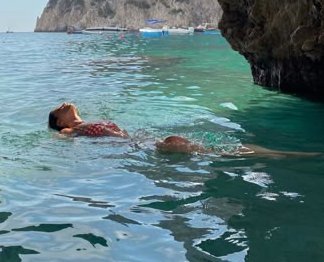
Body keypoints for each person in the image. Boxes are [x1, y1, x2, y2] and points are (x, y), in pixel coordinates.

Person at [155, 135, 322, 157]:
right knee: (271, 153)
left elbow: (172, 140)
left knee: (270, 153)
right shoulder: (190, 147)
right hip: (215, 149)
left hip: (215, 150)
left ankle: (306, 154)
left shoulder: (167, 144)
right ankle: (306, 154)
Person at [48, 102, 129, 138]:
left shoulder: (86, 123)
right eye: (59, 109)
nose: (64, 103)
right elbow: (60, 136)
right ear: (60, 122)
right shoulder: (68, 130)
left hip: (117, 136)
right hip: (111, 138)